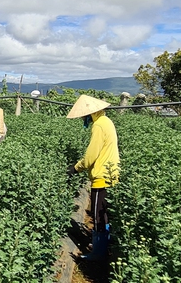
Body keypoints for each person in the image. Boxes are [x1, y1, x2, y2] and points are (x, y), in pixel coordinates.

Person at [66, 94, 120, 261]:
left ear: (91, 113)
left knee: (97, 215)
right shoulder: (106, 121)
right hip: (110, 173)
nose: (84, 118)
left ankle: (98, 254)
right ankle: (102, 246)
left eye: (84, 115)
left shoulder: (98, 126)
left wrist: (75, 168)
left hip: (101, 176)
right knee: (102, 213)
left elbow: (91, 155)